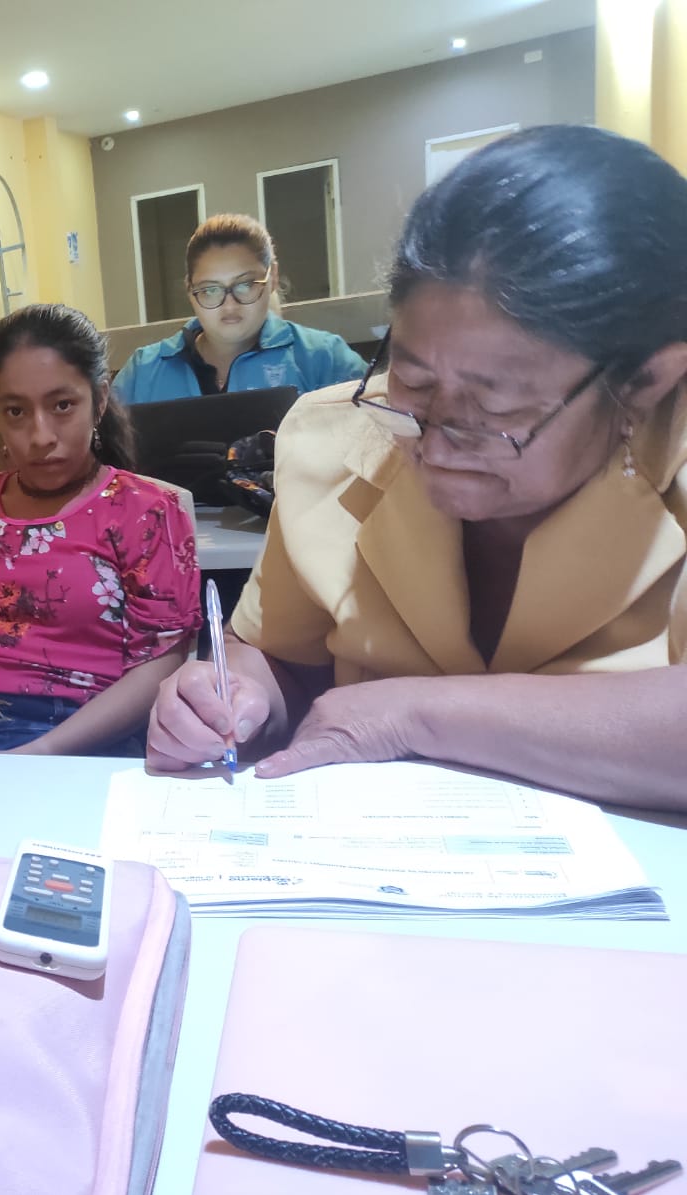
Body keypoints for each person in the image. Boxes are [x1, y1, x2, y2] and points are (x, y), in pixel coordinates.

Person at [144, 125, 687, 811]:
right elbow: (279, 658)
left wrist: (414, 714)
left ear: (646, 382)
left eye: (494, 410)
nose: (436, 444)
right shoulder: (331, 441)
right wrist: (230, 697)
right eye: (414, 382)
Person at [0, 304, 202, 755]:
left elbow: (161, 662)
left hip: (91, 744)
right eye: (15, 411)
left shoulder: (146, 513)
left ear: (99, 400)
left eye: (62, 406)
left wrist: (40, 753)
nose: (40, 435)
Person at [111, 214, 367, 405]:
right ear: (190, 289)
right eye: (210, 290)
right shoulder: (143, 373)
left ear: (272, 278)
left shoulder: (324, 360)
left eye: (245, 285)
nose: (230, 305)